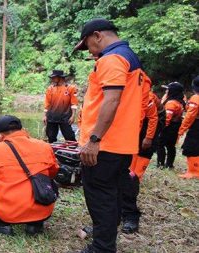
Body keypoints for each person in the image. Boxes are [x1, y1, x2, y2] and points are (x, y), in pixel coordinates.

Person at [74, 18, 147, 253]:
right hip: (122, 143)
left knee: (100, 196)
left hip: (105, 145)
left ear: (97, 36)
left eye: (88, 45)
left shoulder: (112, 58)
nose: (90, 51)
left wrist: (94, 140)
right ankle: (106, 235)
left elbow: (112, 100)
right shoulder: (129, 56)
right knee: (113, 191)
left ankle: (102, 248)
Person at [0, 115, 59, 236]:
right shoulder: (45, 146)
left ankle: (0, 225)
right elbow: (53, 172)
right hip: (43, 209)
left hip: (8, 212)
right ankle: (35, 224)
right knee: (48, 181)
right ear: (21, 128)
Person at [121, 90, 162, 234]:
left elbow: (153, 117)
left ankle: (130, 215)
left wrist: (149, 137)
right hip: (117, 138)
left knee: (131, 176)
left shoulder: (144, 94)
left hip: (138, 138)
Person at [43, 70, 79, 143]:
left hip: (65, 117)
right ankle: (52, 151)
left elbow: (74, 103)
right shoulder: (50, 88)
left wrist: (73, 115)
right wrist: (45, 115)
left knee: (69, 137)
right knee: (51, 137)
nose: (52, 79)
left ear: (60, 78)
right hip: (51, 117)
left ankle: (73, 151)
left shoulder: (70, 88)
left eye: (54, 77)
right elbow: (47, 103)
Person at [157, 82, 185, 168]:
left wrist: (160, 129)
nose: (166, 91)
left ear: (172, 91)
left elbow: (167, 119)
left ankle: (160, 164)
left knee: (160, 144)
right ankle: (169, 164)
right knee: (171, 146)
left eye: (168, 89)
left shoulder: (171, 103)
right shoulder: (180, 102)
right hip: (176, 126)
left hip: (168, 128)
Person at [178, 75, 199, 179]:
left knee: (191, 147)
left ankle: (193, 171)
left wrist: (182, 129)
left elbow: (190, 116)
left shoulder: (196, 98)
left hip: (196, 126)